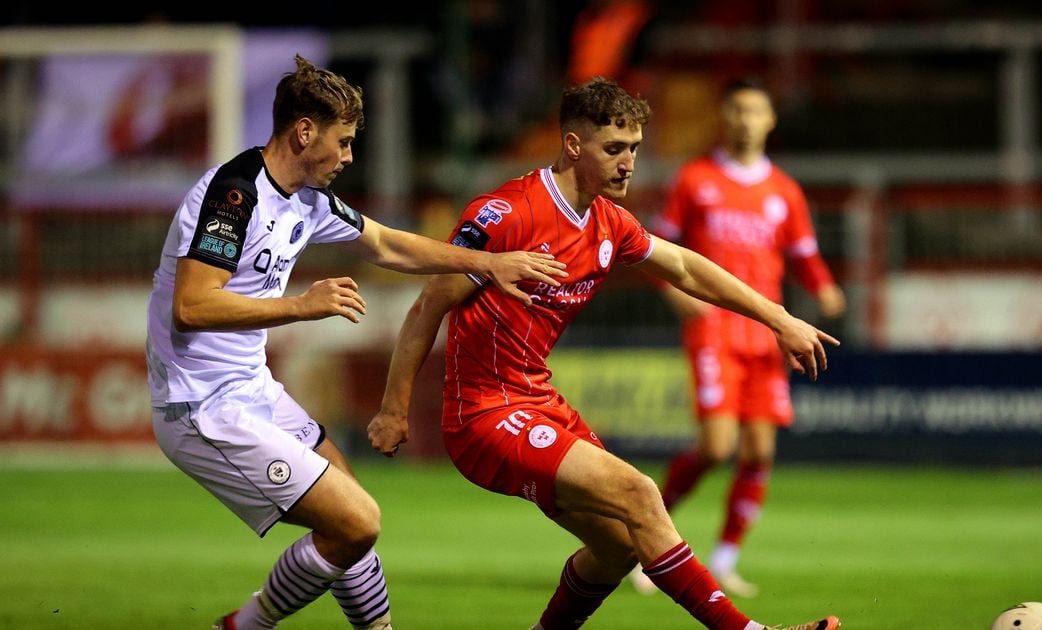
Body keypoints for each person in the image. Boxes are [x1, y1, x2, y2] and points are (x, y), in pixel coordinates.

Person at [367, 77, 841, 630]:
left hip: (536, 400)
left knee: (619, 547)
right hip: (484, 413)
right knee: (640, 492)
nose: (628, 163)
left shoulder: (609, 222)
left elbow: (686, 267)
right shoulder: (508, 213)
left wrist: (778, 317)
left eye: (634, 148)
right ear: (573, 146)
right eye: (614, 148)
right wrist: (394, 407)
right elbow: (428, 306)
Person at [144, 55, 567, 630]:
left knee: (351, 518)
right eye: (342, 142)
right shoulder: (233, 195)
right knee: (357, 521)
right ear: (304, 132)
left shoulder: (306, 200)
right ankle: (243, 626)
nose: (348, 157)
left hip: (250, 390)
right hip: (201, 407)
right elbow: (190, 307)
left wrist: (488, 261)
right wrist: (301, 306)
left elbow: (388, 245)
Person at [629, 76, 846, 599]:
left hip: (766, 332)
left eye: (756, 112)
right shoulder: (695, 179)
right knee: (716, 445)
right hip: (714, 330)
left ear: (770, 121)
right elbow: (654, 246)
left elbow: (803, 254)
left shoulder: (784, 192)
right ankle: (646, 544)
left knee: (758, 452)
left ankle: (725, 558)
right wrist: (675, 293)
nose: (746, 121)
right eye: (737, 111)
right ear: (724, 118)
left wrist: (825, 287)